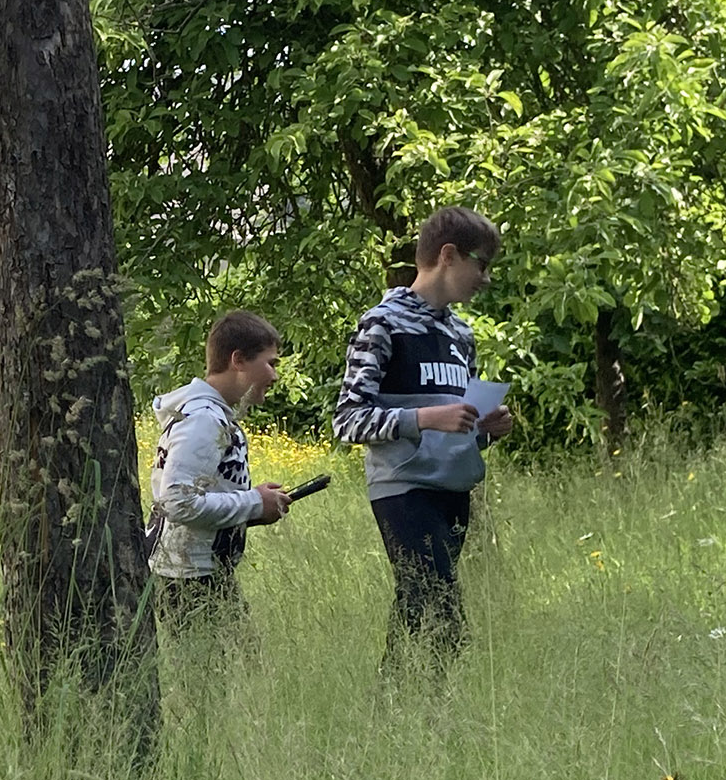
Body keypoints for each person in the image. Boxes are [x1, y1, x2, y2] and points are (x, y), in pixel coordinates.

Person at [334, 206, 514, 653]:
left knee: (419, 613)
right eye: (482, 263)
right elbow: (348, 420)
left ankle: (399, 715)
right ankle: (410, 712)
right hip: (403, 489)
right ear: (448, 255)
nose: (486, 277)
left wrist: (484, 430)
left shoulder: (462, 336)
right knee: (442, 614)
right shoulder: (383, 323)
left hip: (452, 489)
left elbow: (455, 426)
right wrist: (426, 418)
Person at [145, 311, 292, 626]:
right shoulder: (203, 419)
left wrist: (256, 509)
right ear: (238, 360)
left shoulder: (211, 415)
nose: (275, 375)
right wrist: (253, 503)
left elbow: (199, 499)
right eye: (270, 363)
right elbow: (177, 501)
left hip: (203, 574)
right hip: (190, 581)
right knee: (232, 671)